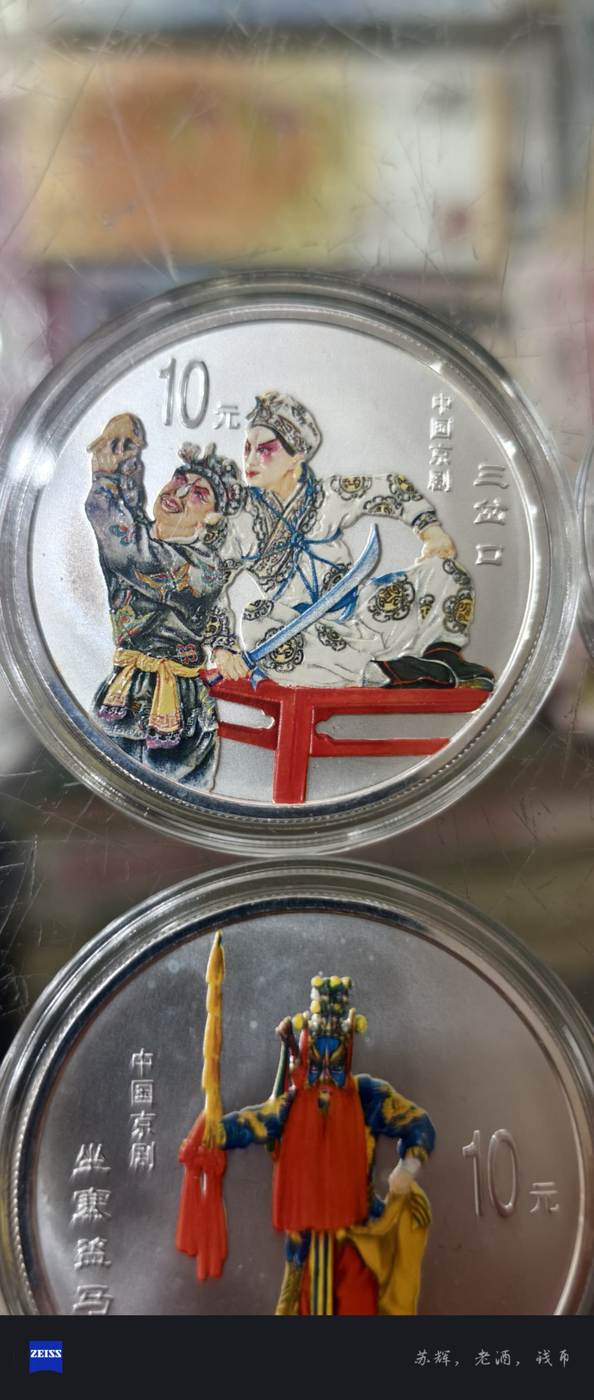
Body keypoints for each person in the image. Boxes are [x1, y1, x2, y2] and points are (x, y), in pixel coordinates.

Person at [178, 972, 435, 1316]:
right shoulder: (291, 1102)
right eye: (318, 1061)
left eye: (335, 1061)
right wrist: (215, 1132)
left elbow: (418, 1125)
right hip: (305, 1245)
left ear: (348, 1054)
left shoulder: (367, 1097)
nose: (326, 1073)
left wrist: (407, 1167)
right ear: (305, 1053)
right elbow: (254, 1122)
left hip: (358, 1236)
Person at [209, 390, 494, 690]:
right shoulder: (239, 522)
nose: (250, 459)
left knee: (444, 571)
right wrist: (221, 649)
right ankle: (385, 674)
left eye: (265, 450)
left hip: (364, 616)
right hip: (305, 637)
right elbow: (210, 583)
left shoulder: (326, 496)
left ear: (296, 456)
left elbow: (390, 487)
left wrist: (430, 530)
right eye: (247, 448)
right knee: (256, 618)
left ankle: (442, 658)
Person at [85, 414, 242, 787]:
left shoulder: (202, 568)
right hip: (120, 696)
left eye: (198, 495)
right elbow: (130, 514)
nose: (180, 493)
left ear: (210, 520)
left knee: (178, 802)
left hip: (178, 712)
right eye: (179, 480)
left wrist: (105, 477)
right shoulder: (145, 538)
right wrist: (125, 450)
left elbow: (126, 546)